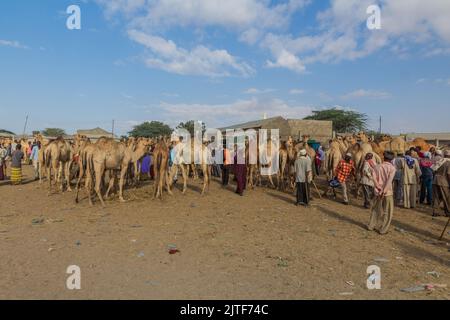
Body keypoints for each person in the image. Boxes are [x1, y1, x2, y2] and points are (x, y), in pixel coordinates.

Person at [368, 151, 396, 235]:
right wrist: (384, 191)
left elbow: (374, 179)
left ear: (384, 157)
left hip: (377, 192)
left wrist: (378, 188)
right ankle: (383, 230)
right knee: (387, 212)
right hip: (387, 193)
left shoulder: (377, 167)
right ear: (392, 159)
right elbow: (389, 181)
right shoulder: (392, 168)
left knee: (375, 209)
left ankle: (371, 226)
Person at [432, 150, 450, 217]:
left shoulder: (439, 161)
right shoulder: (448, 162)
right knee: (447, 198)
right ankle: (448, 212)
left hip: (435, 180)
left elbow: (433, 170)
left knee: (436, 197)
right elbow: (449, 174)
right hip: (444, 182)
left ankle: (435, 212)